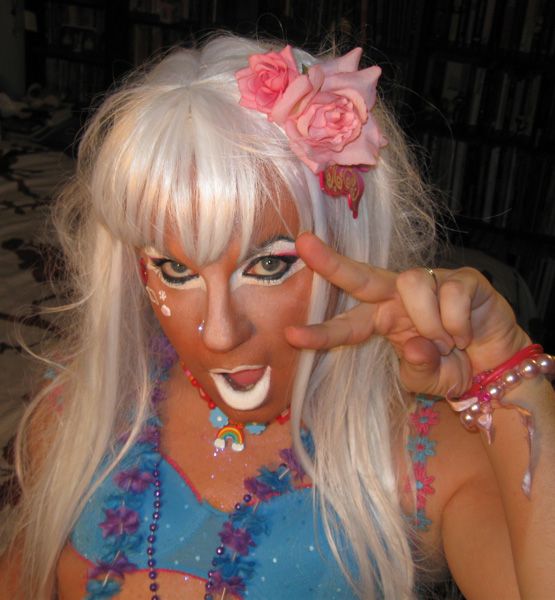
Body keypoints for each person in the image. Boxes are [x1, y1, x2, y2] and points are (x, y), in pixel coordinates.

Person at [1, 34, 554, 600]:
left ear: (351, 247)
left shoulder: (422, 457)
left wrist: (509, 370)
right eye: (175, 269)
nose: (220, 334)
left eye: (268, 266)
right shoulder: (84, 409)